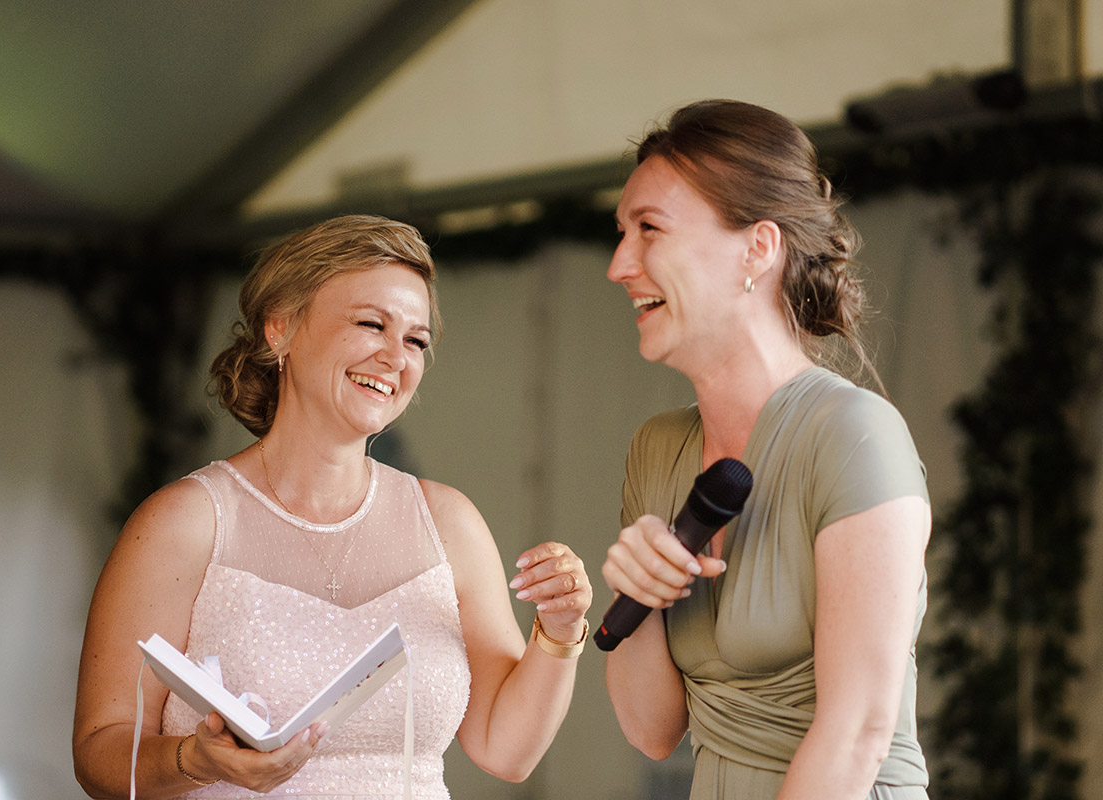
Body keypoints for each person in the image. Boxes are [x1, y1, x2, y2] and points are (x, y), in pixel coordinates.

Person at [73, 214, 593, 799]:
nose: (396, 357)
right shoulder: (185, 521)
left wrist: (560, 631)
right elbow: (100, 751)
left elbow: (507, 751)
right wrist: (199, 760)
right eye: (372, 324)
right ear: (280, 329)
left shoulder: (449, 523)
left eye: (416, 340)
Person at [600, 99, 931, 800]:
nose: (618, 265)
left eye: (649, 229)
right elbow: (650, 729)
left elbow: (857, 733)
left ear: (758, 248)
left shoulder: (854, 435)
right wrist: (635, 598)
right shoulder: (656, 450)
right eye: (621, 233)